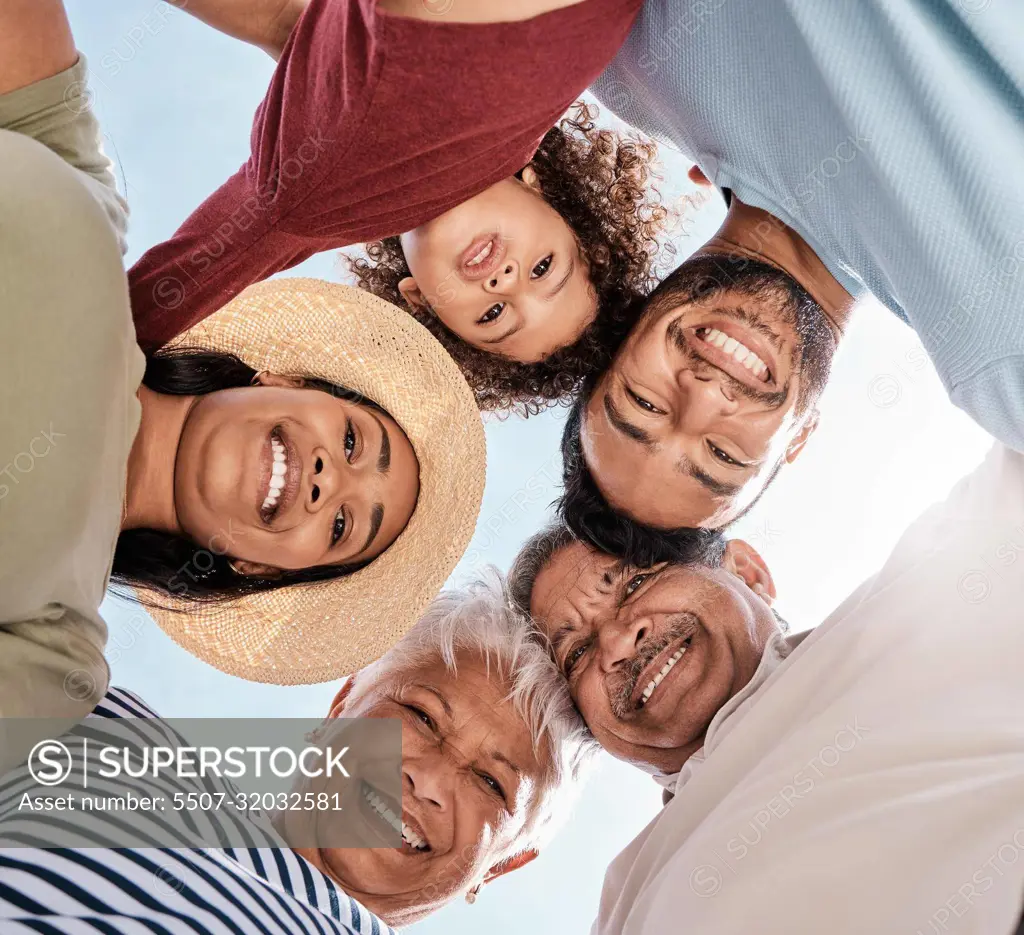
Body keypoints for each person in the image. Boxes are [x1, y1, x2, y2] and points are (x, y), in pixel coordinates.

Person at [0, 2, 485, 778]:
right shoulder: (89, 215)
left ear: (262, 570)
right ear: (284, 379)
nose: (332, 482)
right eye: (356, 441)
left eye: (342, 529)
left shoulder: (58, 652)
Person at [517, 439, 1024, 932]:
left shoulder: (940, 582)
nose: (621, 642)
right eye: (577, 654)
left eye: (635, 583)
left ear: (746, 570)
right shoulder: (626, 903)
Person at [560, 0, 1024, 530]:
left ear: (619, 330)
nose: (706, 395)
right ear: (800, 436)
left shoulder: (625, 62)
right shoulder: (1005, 365)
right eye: (725, 456)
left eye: (644, 404)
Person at [127, 0, 673, 415]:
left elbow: (126, 321)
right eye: (543, 268)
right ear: (544, 191)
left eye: (492, 316)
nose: (506, 282)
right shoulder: (569, 69)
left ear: (421, 303)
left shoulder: (309, 204)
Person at [0, 577, 597, 931]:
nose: (431, 779)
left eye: (491, 784)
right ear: (342, 706)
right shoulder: (114, 738)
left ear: (502, 864)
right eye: (420, 716)